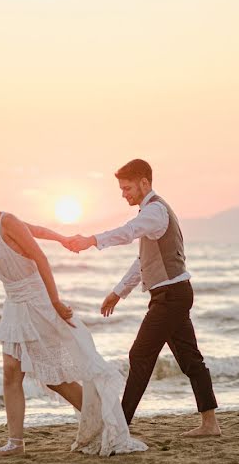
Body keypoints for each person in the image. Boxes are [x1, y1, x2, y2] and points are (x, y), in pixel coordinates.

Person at [0, 186, 147, 457]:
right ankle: (15, 443)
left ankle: (102, 421)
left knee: (54, 377)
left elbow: (40, 257)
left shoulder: (8, 221)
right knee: (10, 373)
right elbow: (38, 231)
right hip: (15, 307)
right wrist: (62, 238)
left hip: (36, 305)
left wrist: (54, 301)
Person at [65, 159, 221, 437]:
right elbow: (143, 261)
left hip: (171, 296)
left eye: (127, 188)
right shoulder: (152, 213)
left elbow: (127, 233)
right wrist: (118, 292)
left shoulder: (155, 211)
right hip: (172, 293)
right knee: (191, 360)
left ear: (144, 183)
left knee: (140, 355)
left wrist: (91, 240)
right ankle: (210, 424)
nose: (123, 193)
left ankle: (121, 426)